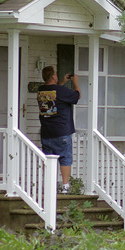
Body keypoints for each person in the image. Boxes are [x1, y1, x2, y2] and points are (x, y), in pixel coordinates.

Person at [37, 65, 80, 194]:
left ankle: (50, 185)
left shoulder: (41, 91)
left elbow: (54, 95)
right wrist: (75, 83)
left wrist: (62, 82)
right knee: (65, 158)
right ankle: (65, 186)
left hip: (46, 132)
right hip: (61, 132)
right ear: (54, 76)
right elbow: (76, 96)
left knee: (49, 159)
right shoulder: (60, 91)